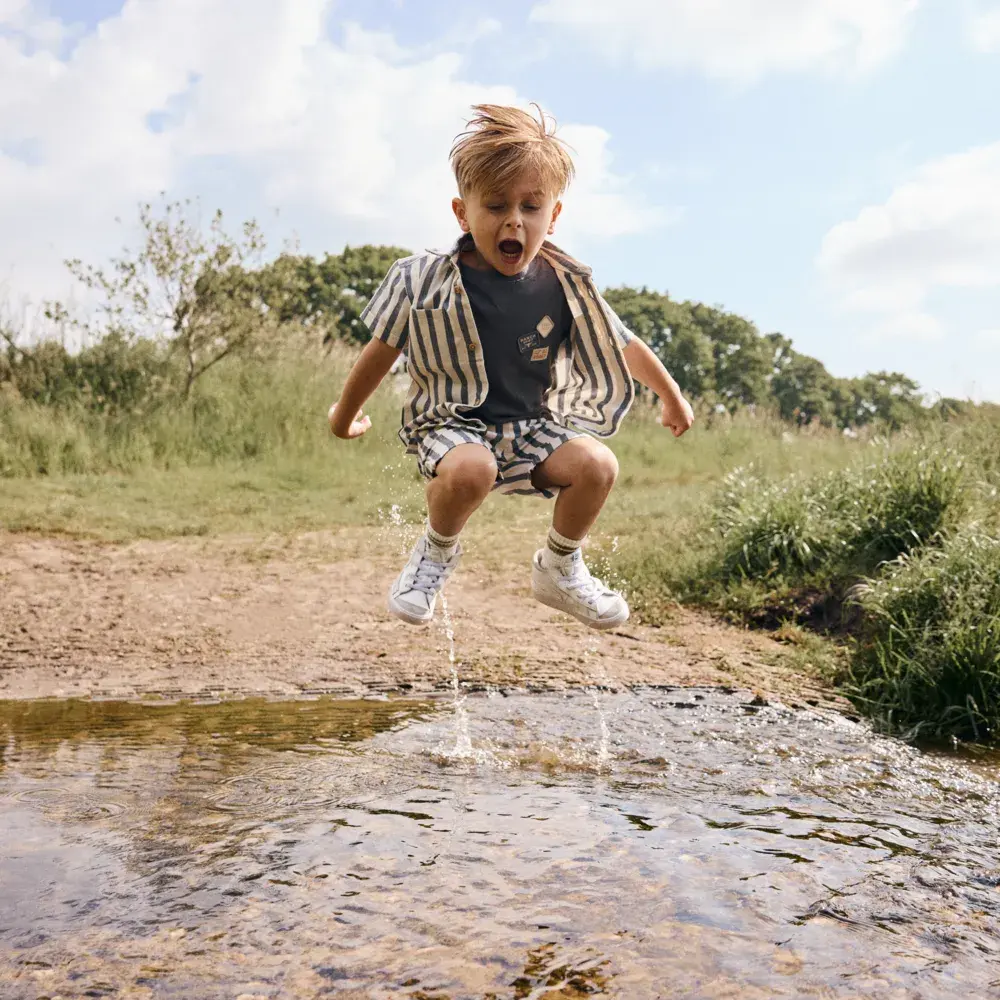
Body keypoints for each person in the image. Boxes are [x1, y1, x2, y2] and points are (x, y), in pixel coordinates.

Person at [329, 104, 694, 630]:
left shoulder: (567, 283)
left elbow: (622, 342)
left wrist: (671, 394)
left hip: (529, 429)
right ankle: (435, 552)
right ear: (462, 213)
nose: (513, 221)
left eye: (530, 206)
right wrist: (344, 416)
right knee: (474, 469)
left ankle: (560, 567)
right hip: (451, 427)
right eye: (496, 205)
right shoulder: (421, 280)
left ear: (554, 215)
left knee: (598, 466)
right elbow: (381, 351)